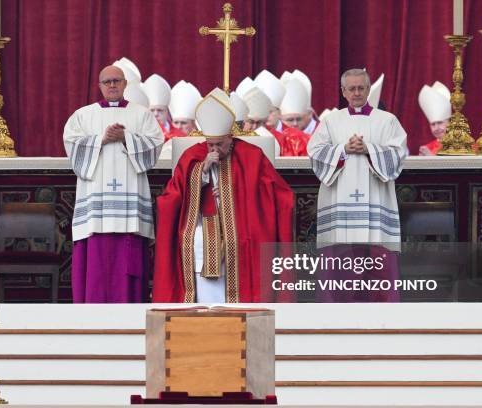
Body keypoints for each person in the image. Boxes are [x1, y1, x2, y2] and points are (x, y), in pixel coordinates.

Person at [153, 88, 294, 303]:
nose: (215, 149)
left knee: (241, 241)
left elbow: (280, 196)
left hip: (243, 223)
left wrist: (237, 191)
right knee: (199, 240)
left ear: (231, 137)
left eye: (220, 144)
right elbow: (170, 199)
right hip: (200, 225)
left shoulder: (251, 156)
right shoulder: (192, 156)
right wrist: (200, 175)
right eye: (211, 144)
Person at [63, 65, 164, 303]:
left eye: (116, 81)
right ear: (99, 86)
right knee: (96, 261)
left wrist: (126, 138)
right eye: (106, 82)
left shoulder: (142, 115)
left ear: (124, 84)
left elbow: (155, 144)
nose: (112, 85)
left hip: (129, 211)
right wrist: (102, 139)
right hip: (96, 212)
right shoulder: (83, 115)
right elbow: (72, 144)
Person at [307, 69, 407, 302]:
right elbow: (315, 153)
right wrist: (343, 149)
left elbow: (398, 154)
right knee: (339, 260)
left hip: (376, 201)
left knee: (377, 256)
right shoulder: (331, 121)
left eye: (361, 88)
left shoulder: (387, 120)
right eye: (351, 88)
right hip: (339, 201)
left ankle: (383, 312)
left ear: (369, 89)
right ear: (343, 92)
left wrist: (368, 149)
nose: (357, 93)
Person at [280, 78, 312, 156]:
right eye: (290, 120)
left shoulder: (312, 140)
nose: (295, 123)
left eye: (299, 119)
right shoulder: (275, 139)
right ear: (280, 118)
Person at [418, 81, 451, 156]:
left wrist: (431, 157)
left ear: (450, 122)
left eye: (440, 123)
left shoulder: (463, 145)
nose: (436, 128)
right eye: (433, 124)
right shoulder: (427, 148)